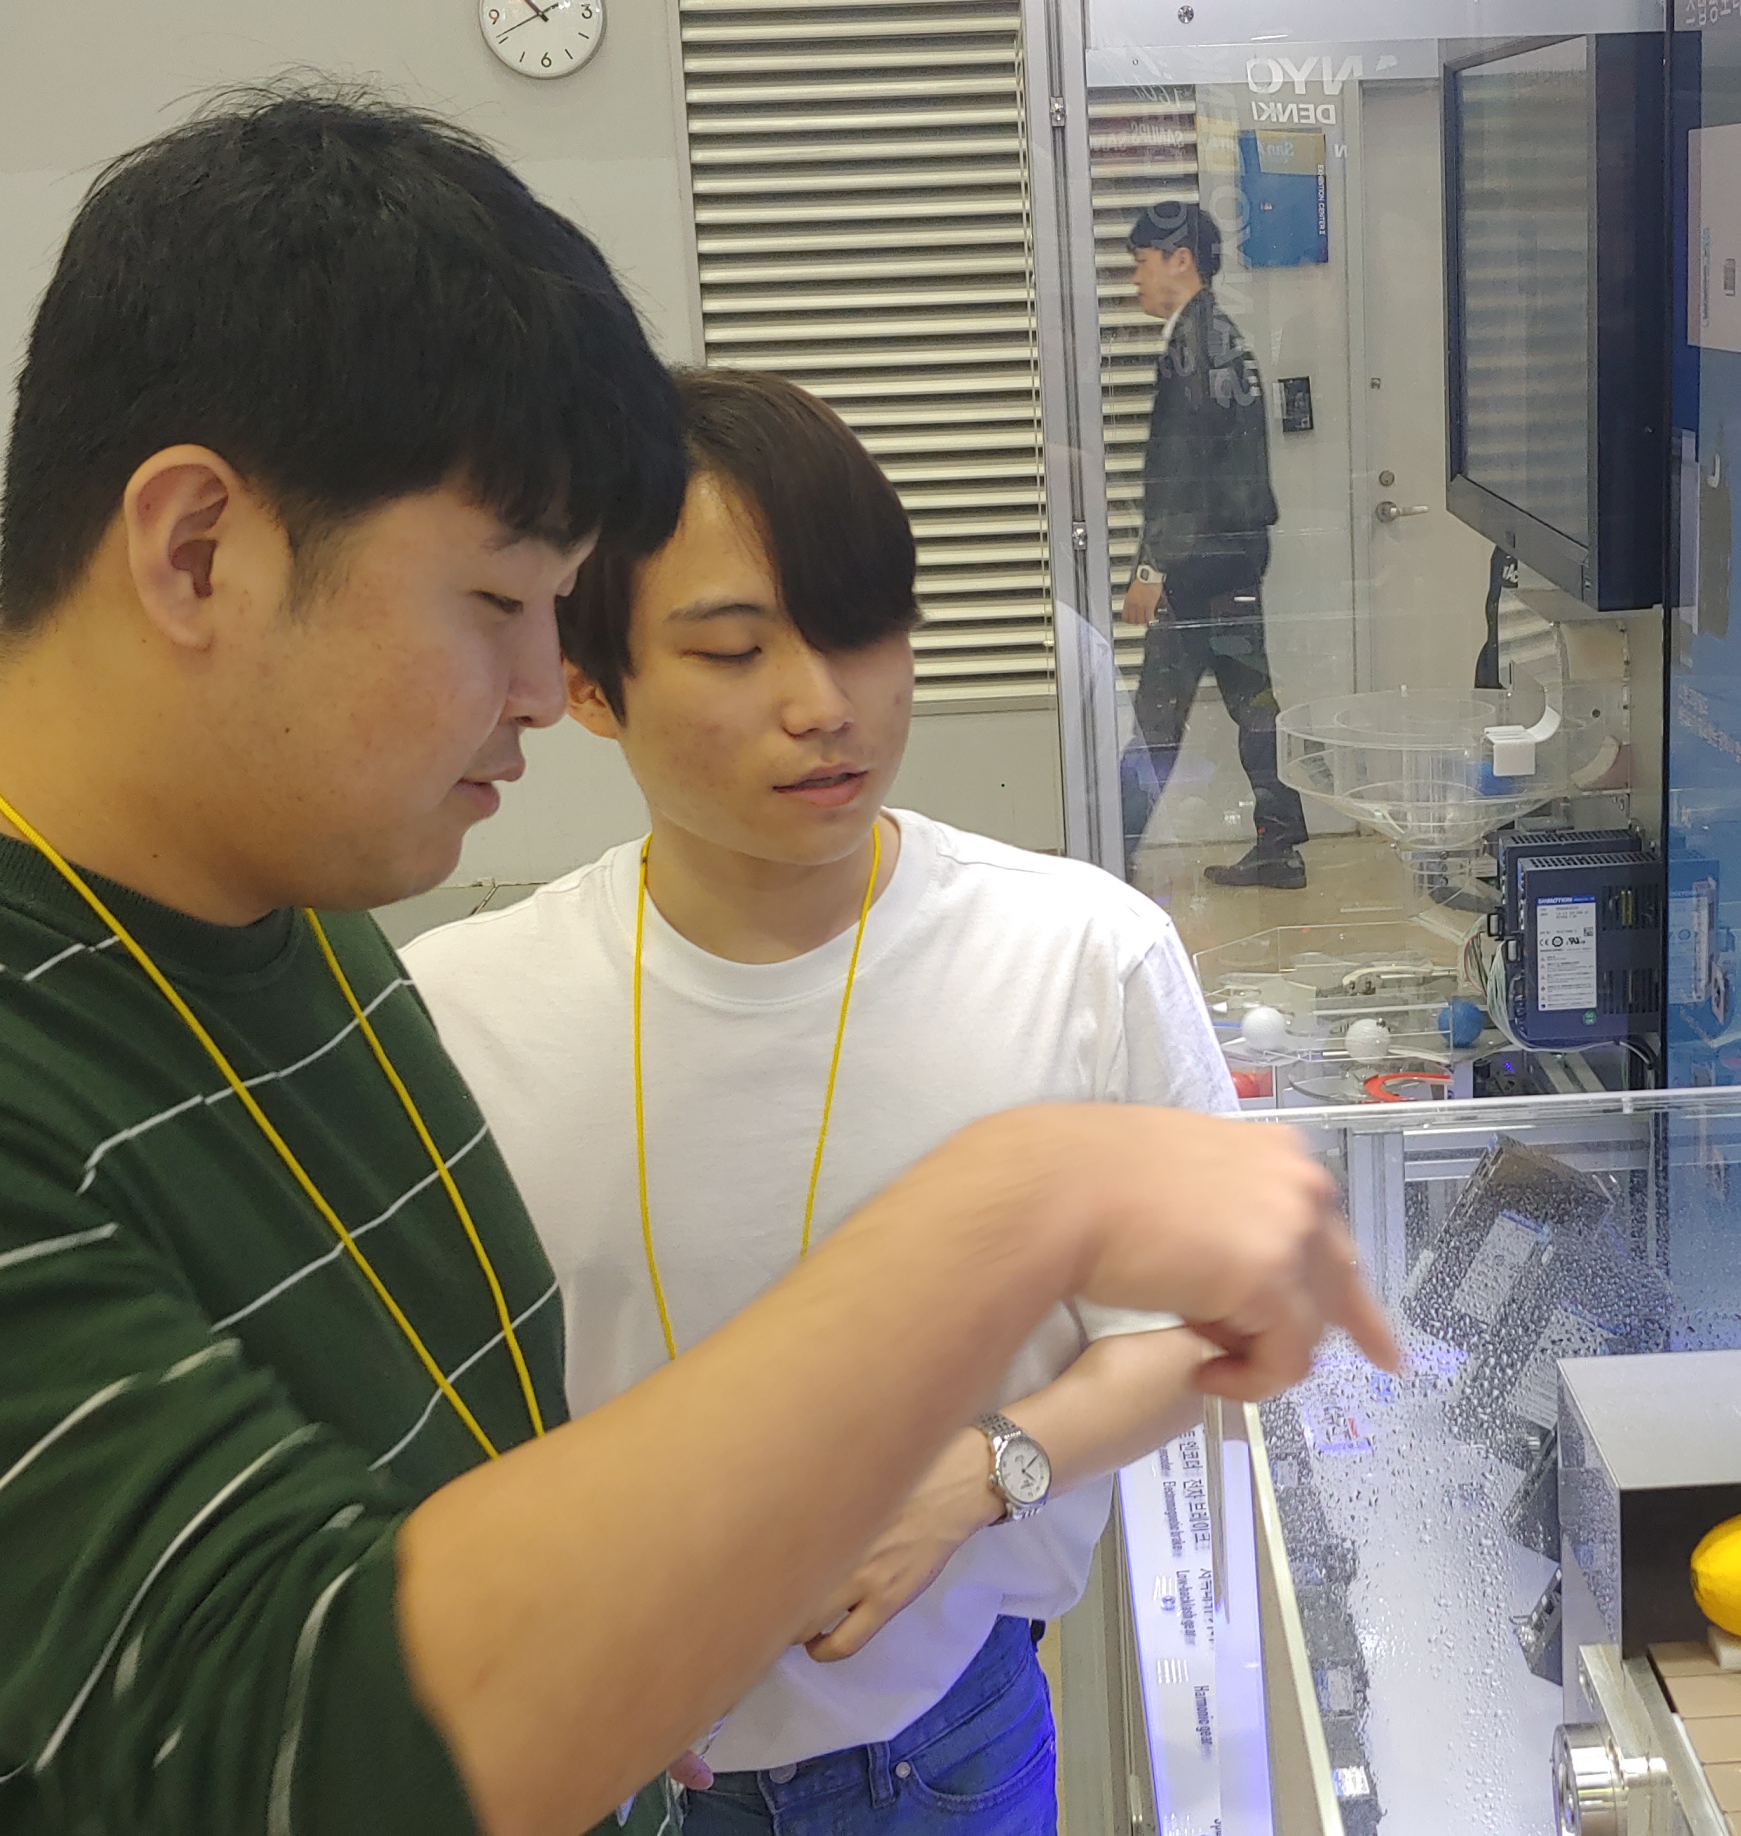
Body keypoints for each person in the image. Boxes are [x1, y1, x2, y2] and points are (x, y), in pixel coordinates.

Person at [0, 90, 1390, 1836]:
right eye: (496, 603)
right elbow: (321, 1749)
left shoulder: (302, 948)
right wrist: (1014, 1212)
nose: (546, 691)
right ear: (199, 550)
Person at [403, 366, 1233, 1836]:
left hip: (943, 1748)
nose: (825, 706)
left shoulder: (1080, 956)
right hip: (598, 1766)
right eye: (733, 651)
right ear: (588, 684)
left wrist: (983, 1471)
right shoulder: (460, 1013)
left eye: (862, 631)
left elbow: (1208, 1329)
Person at [1117, 199, 1309, 891]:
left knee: (1157, 715)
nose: (1135, 278)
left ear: (1181, 261)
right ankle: (1280, 844)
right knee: (1252, 702)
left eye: (1142, 262)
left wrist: (1151, 567)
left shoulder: (1195, 348)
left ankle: (1108, 851)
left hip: (1198, 564)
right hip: (1232, 555)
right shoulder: (1218, 337)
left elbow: (1181, 470)